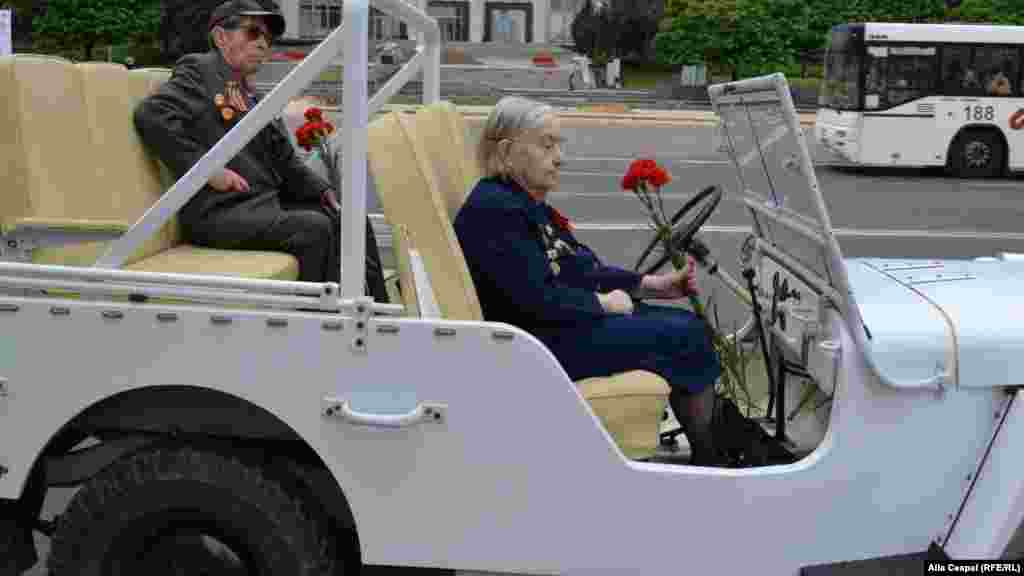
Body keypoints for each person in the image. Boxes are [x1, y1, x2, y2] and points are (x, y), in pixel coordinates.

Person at [453, 96, 724, 465]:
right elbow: (534, 299)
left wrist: (648, 285)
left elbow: (576, 266)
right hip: (537, 346)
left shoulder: (518, 202)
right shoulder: (494, 210)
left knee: (681, 324)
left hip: (548, 334)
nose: (558, 157)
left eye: (558, 145)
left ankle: (710, 455)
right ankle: (712, 465)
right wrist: (604, 304)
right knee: (687, 335)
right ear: (507, 151)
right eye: (546, 144)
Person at [133, 0, 388, 301]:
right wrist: (208, 171)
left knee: (350, 218)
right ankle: (311, 321)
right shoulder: (200, 70)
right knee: (314, 228)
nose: (262, 43)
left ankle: (374, 309)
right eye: (252, 32)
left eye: (267, 38)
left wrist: (321, 191)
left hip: (260, 206)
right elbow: (151, 115)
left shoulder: (251, 92)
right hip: (219, 212)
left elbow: (282, 157)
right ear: (221, 37)